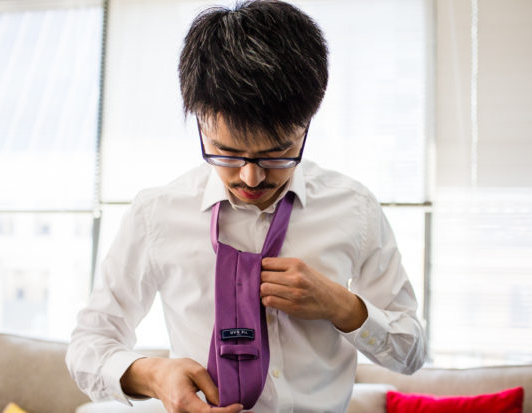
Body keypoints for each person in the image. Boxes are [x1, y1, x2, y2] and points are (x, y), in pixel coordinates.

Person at [66, 1, 426, 412]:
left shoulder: (354, 209)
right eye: (226, 152)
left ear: (306, 124)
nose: (251, 178)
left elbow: (412, 352)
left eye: (277, 153)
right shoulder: (156, 214)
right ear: (200, 123)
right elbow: (87, 346)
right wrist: (153, 375)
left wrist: (341, 306)